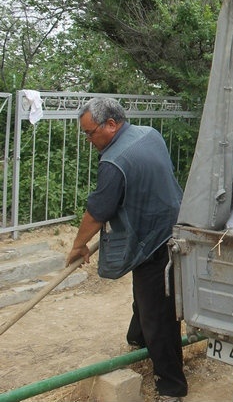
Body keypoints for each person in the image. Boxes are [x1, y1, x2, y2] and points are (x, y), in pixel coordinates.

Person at [67, 97, 188, 402]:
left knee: (158, 315)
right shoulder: (149, 134)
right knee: (153, 298)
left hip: (153, 241)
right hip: (174, 224)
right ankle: (137, 340)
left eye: (91, 133)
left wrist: (78, 245)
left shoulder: (114, 161)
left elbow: (96, 212)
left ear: (111, 124)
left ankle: (172, 386)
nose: (89, 140)